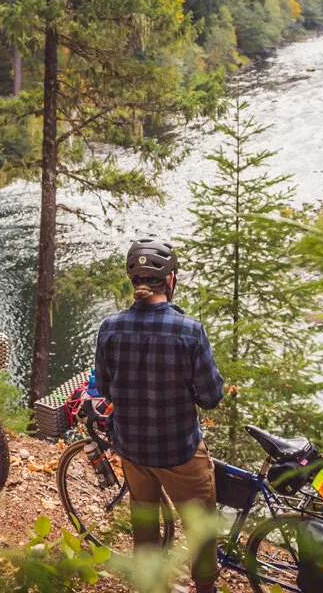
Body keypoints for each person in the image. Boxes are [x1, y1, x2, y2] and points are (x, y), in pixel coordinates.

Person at [94, 237, 224, 593]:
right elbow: (211, 397)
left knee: (145, 519)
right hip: (179, 452)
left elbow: (104, 388)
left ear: (134, 282)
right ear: (170, 281)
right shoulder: (190, 330)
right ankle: (206, 587)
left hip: (132, 449)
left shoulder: (110, 327)